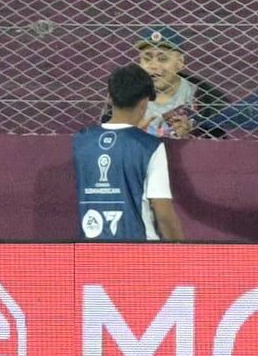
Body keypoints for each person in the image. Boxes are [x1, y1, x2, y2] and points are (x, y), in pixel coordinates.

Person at [76, 63, 182, 241]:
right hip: (139, 249)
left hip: (92, 248)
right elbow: (163, 213)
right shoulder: (150, 147)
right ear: (144, 103)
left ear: (109, 97)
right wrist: (183, 250)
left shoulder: (82, 141)